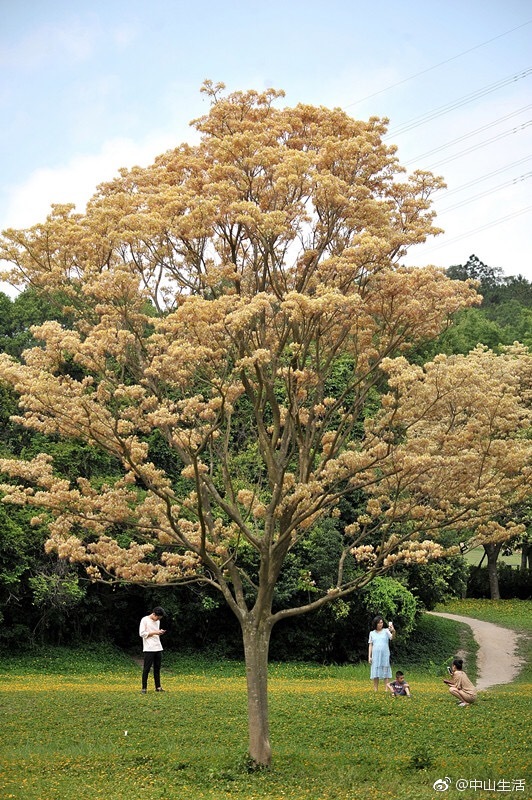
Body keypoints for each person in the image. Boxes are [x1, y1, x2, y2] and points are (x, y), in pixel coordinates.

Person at [139, 606, 167, 694]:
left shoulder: (157, 621)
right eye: (157, 617)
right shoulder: (144, 620)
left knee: (157, 668)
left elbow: (155, 633)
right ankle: (144, 688)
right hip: (149, 648)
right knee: (146, 668)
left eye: (159, 618)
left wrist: (159, 632)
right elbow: (142, 634)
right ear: (154, 614)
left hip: (158, 647)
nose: (158, 619)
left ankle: (158, 687)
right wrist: (155, 632)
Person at [368, 615, 395, 692]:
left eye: (382, 622)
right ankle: (375, 689)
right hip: (375, 655)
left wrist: (393, 631)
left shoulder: (386, 631)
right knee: (375, 671)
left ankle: (386, 689)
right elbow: (370, 645)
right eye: (379, 623)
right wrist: (369, 656)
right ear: (375, 624)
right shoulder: (372, 633)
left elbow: (392, 638)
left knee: (385, 670)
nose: (381, 624)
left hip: (385, 654)